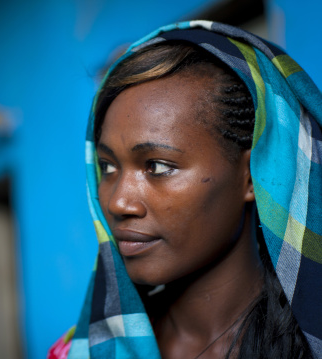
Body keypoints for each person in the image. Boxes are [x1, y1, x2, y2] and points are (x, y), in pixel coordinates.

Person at [48, 21, 322, 359]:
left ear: (253, 175)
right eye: (107, 167)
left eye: (158, 167)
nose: (118, 202)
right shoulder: (84, 350)